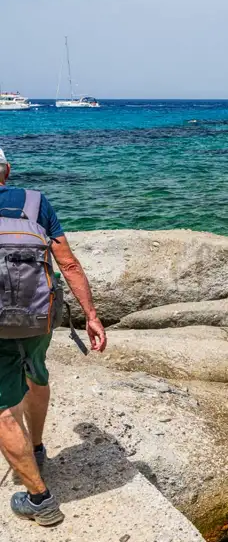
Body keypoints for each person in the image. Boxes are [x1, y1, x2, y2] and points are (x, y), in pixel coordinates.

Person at [0, 148, 106, 527]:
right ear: (7, 171)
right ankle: (39, 446)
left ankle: (39, 500)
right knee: (35, 371)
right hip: (38, 316)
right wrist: (92, 316)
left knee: (3, 410)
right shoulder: (35, 202)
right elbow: (69, 262)